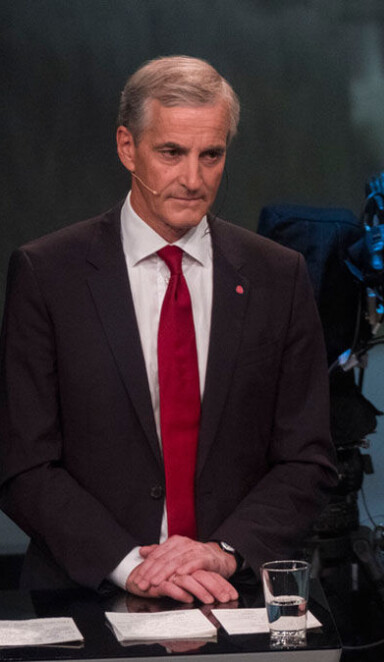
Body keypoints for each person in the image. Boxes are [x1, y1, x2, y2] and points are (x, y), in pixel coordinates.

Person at [0, 56, 338, 601]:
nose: (193, 179)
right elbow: (24, 461)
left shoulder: (278, 274)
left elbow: (307, 457)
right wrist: (130, 564)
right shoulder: (48, 273)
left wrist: (222, 551)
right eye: (171, 153)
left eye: (212, 155)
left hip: (233, 592)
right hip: (87, 591)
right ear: (127, 147)